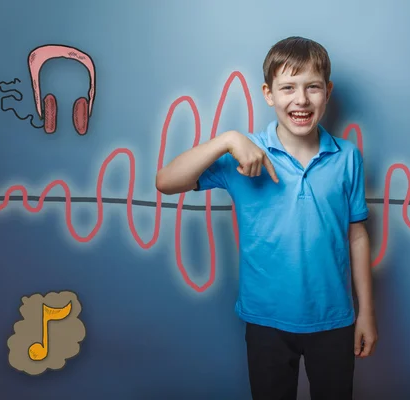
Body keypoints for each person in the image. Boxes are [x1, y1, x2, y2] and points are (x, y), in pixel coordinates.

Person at [156, 36, 378, 400]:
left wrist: (365, 312)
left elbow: (357, 234)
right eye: (288, 87)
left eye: (313, 88)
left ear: (328, 92)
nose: (301, 99)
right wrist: (227, 139)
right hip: (265, 322)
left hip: (335, 319)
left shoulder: (347, 157)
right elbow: (165, 182)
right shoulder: (244, 154)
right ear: (269, 93)